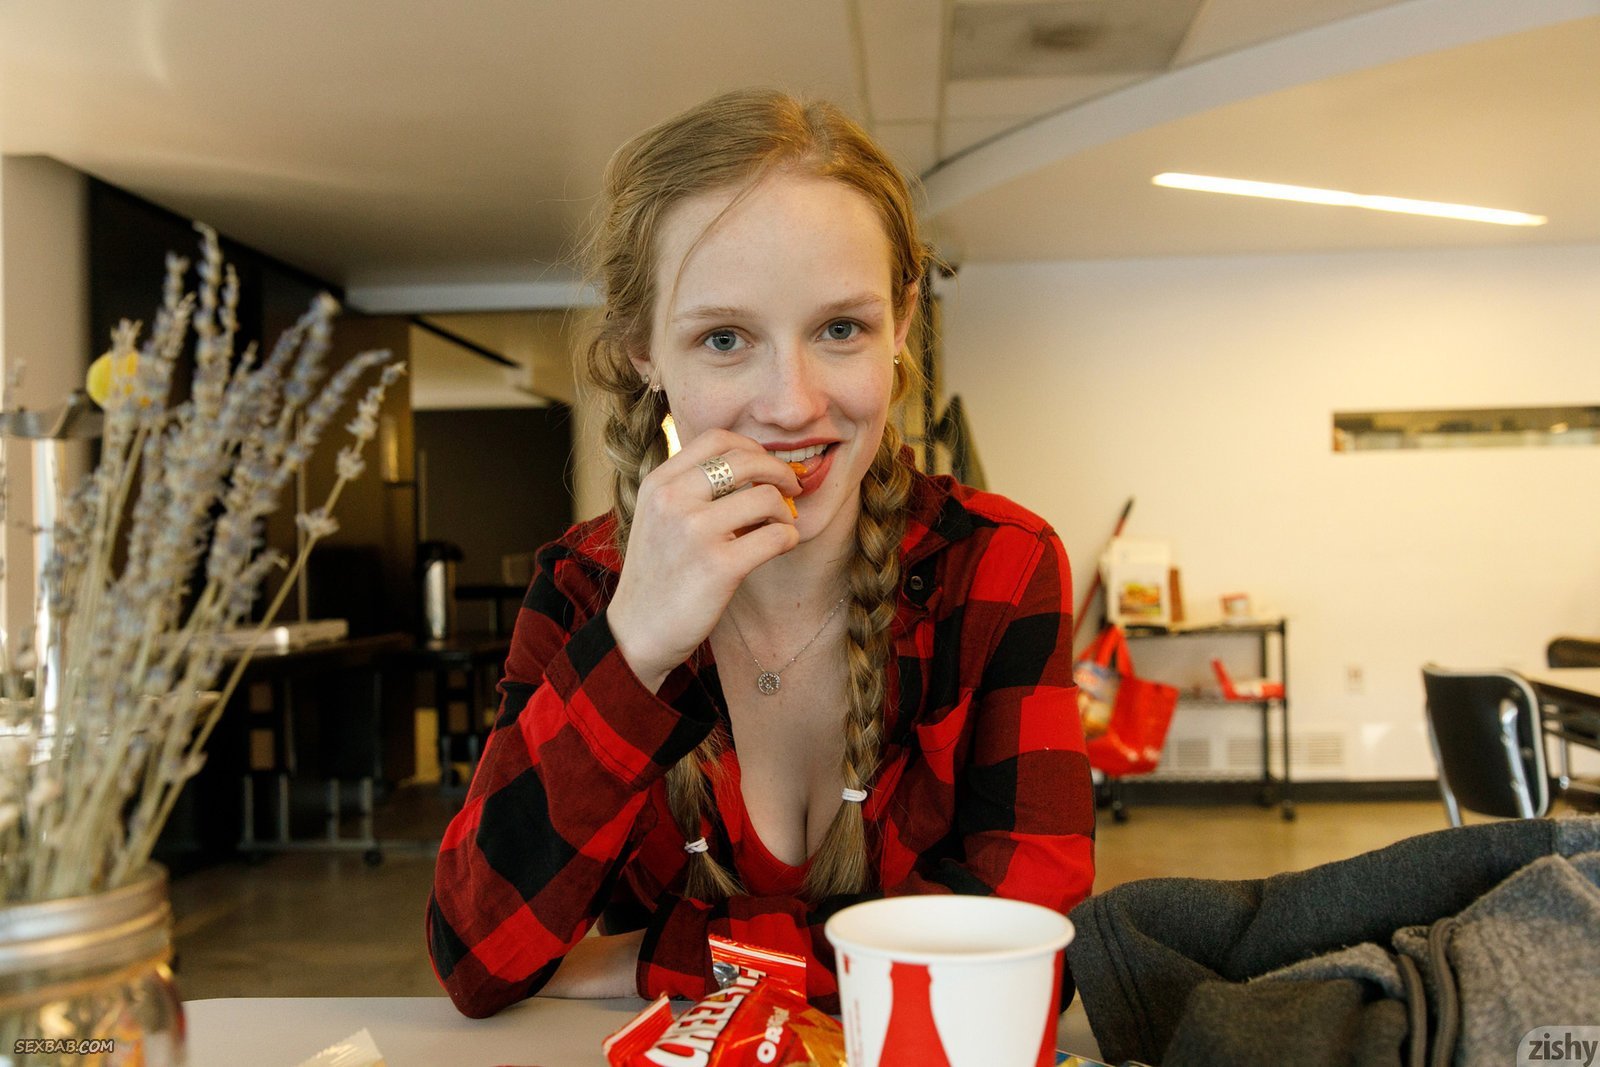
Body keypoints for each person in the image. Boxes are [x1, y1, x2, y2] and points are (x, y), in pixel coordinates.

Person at [427, 88, 1095, 1019]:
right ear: (642, 349)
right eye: (725, 338)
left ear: (902, 322)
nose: (792, 403)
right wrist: (634, 644)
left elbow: (1024, 956)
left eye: (840, 328)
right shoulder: (583, 590)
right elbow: (478, 958)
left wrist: (646, 958)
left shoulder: (999, 567)